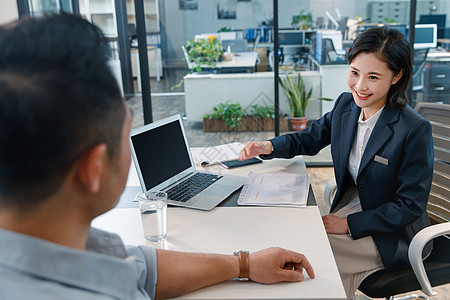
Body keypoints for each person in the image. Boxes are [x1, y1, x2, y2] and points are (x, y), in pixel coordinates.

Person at [0, 13, 315, 300]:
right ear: (93, 169)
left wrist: (244, 264)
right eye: (125, 134)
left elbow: (142, 268)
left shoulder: (67, 240)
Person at [240, 26, 433, 299]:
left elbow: (410, 205)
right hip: (358, 203)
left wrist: (349, 224)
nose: (360, 86)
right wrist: (269, 146)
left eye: (373, 77)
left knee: (315, 258)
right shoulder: (346, 105)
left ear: (397, 76)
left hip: (395, 232)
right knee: (302, 243)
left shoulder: (413, 129)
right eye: (354, 73)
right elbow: (311, 137)